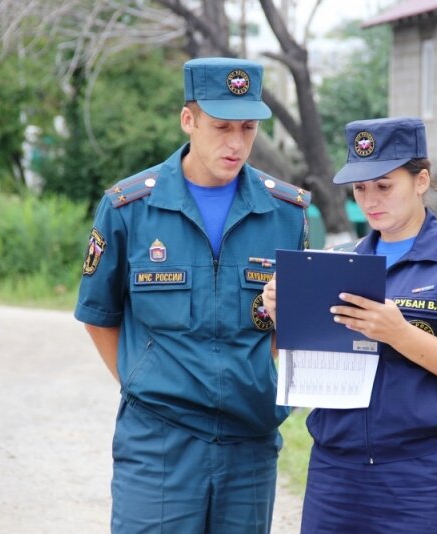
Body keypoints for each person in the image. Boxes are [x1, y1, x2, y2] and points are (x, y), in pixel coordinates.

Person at [75, 57, 310, 534]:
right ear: (189, 120)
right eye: (221, 126)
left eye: (247, 128)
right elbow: (98, 314)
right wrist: (142, 379)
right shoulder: (129, 208)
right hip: (159, 443)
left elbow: (296, 327)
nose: (236, 142)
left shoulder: (285, 212)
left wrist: (271, 380)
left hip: (250, 443)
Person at [262, 117, 437, 533]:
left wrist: (399, 333)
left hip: (426, 478)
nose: (370, 200)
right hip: (337, 475)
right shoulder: (336, 261)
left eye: (384, 185)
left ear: (421, 180)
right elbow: (294, 358)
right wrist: (284, 316)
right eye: (360, 188)